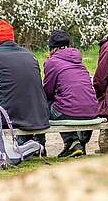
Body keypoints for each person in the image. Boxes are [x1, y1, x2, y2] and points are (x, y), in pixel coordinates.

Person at [0, 20, 49, 147]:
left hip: (7, 118)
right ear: (12, 38)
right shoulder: (30, 56)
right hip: (36, 116)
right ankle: (36, 143)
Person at [42, 30, 98, 158]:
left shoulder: (52, 62)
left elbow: (48, 92)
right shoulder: (79, 61)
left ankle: (71, 141)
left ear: (52, 48)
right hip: (92, 110)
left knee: (44, 104)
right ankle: (78, 144)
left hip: (69, 111)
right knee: (70, 103)